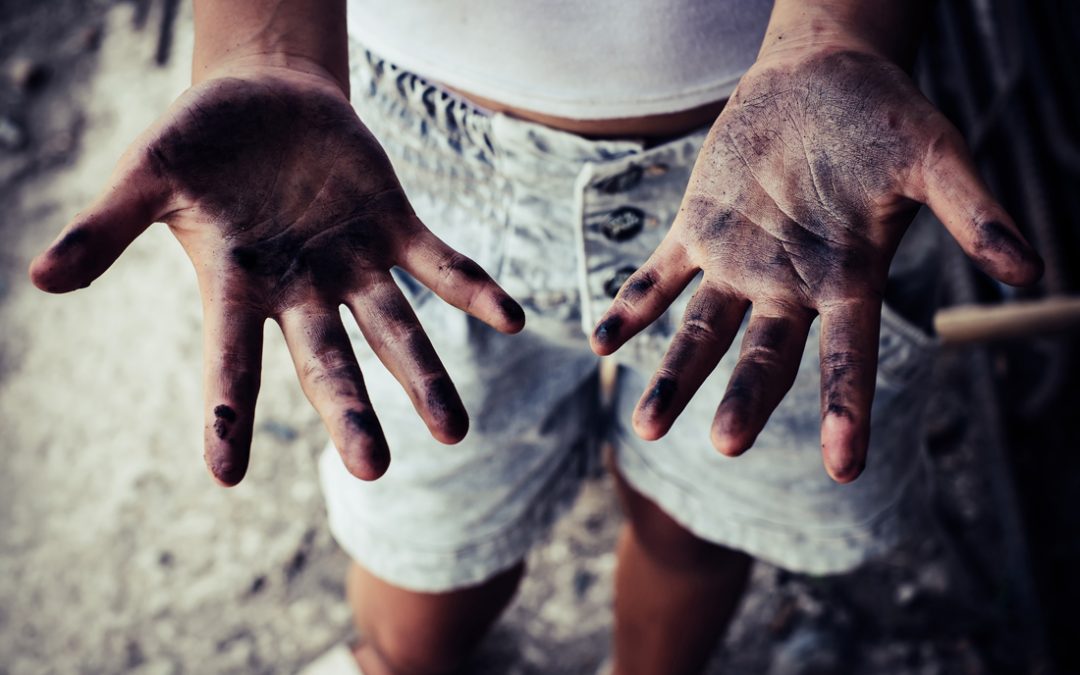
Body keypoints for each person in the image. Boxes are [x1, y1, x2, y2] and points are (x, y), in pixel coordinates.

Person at [29, 0, 1043, 673]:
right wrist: (263, 48)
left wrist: (846, 36)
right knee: (425, 532)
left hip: (780, 167)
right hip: (386, 166)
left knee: (696, 516)